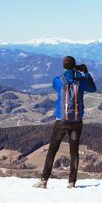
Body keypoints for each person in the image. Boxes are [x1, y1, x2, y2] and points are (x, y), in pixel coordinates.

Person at [33, 56, 96, 189]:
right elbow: (93, 88)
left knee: (52, 150)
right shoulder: (81, 80)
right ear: (75, 66)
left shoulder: (58, 80)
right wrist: (85, 73)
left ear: (63, 66)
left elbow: (55, 87)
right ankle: (71, 182)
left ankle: (44, 180)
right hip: (77, 122)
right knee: (74, 152)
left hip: (61, 121)